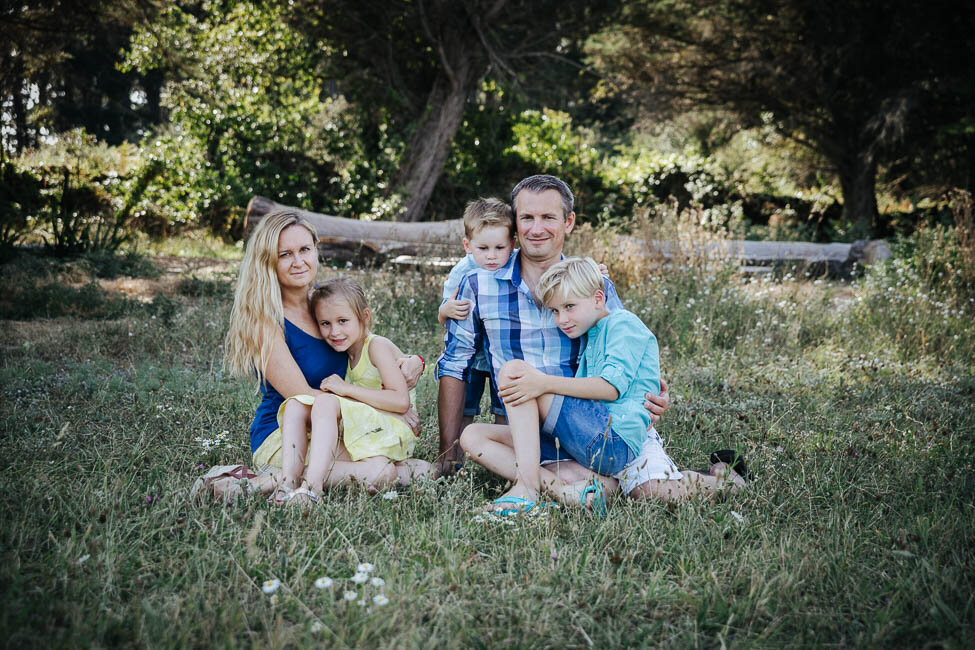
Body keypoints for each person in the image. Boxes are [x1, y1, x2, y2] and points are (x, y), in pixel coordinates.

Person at [437, 174, 694, 501]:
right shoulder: (477, 284)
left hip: (593, 422)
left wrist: (652, 392)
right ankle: (569, 489)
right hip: (527, 432)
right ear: (515, 224)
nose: (536, 228)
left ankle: (715, 478)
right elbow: (455, 364)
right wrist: (448, 452)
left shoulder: (594, 285)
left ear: (569, 222)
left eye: (548, 218)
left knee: (652, 492)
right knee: (472, 437)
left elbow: (624, 352)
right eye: (527, 218)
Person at [461, 257, 744, 513]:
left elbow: (610, 388)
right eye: (555, 311)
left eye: (569, 307)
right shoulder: (592, 333)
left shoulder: (623, 324)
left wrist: (543, 383)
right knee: (473, 436)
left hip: (616, 438)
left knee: (515, 372)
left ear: (599, 298)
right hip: (589, 444)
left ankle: (727, 479)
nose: (562, 319)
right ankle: (566, 490)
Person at [218, 210, 423, 500]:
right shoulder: (266, 321)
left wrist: (414, 362)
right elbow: (303, 398)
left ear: (316, 250)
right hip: (287, 433)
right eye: (285, 254)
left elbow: (368, 347)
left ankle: (294, 478)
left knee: (411, 469)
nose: (299, 261)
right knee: (385, 471)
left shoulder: (324, 307)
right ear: (268, 261)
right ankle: (255, 483)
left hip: (334, 424)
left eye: (305, 249)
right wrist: (385, 410)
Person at [274, 278, 434, 505]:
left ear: (365, 317)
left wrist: (345, 389)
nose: (334, 331)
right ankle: (286, 484)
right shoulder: (348, 352)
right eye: (325, 323)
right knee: (296, 403)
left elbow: (400, 401)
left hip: (396, 425)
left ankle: (312, 488)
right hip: (373, 423)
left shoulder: (376, 347)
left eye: (342, 321)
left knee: (327, 402)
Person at [436, 198, 515, 457]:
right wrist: (445, 310)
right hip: (471, 356)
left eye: (499, 247)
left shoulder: (516, 265)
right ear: (467, 246)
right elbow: (444, 311)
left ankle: (503, 457)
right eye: (483, 248)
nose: (491, 256)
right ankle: (454, 456)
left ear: (512, 244)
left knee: (503, 406)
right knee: (465, 406)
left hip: (502, 353)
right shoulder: (463, 271)